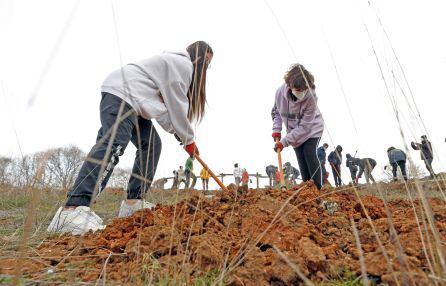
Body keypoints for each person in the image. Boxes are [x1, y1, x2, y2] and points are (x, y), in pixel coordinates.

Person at [47, 41, 213, 235]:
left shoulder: (174, 66)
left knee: (151, 145)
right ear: (198, 56)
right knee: (114, 143)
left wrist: (180, 135)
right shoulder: (184, 65)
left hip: (135, 102)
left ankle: (133, 202)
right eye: (207, 62)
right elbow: (177, 107)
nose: (207, 68)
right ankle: (72, 209)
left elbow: (164, 112)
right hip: (122, 94)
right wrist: (188, 140)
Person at [271, 64, 324, 190]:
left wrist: (284, 142)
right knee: (301, 157)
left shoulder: (311, 96)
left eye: (304, 90)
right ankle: (307, 190)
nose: (302, 93)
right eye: (298, 90)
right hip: (293, 132)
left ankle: (317, 190)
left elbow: (305, 127)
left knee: (308, 152)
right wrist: (276, 130)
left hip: (312, 129)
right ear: (290, 86)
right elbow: (276, 112)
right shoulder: (279, 93)